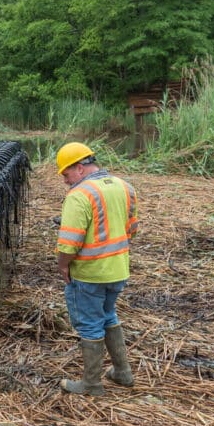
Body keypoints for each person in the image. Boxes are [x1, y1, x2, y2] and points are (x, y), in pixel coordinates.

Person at [54, 142, 138, 396]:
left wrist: (63, 266)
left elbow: (69, 243)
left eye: (67, 175)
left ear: (79, 168)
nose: (66, 182)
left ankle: (91, 384)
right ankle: (122, 373)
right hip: (118, 270)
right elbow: (131, 229)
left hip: (90, 273)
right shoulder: (125, 186)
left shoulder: (80, 195)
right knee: (108, 315)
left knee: (90, 325)